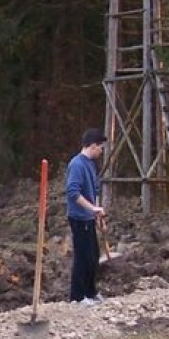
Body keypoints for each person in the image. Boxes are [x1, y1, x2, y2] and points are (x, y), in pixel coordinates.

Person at [65, 127, 107, 304]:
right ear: (93, 145)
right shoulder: (77, 164)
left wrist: (97, 214)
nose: (102, 151)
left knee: (93, 256)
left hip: (88, 218)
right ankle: (77, 296)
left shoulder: (90, 165)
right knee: (82, 257)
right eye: (101, 147)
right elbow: (73, 192)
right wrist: (92, 209)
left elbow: (94, 191)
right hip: (78, 218)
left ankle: (90, 293)